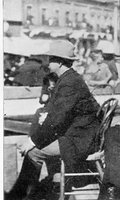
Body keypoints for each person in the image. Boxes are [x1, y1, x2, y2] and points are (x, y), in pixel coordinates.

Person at [6, 40, 101, 200]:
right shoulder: (68, 79)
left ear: (60, 62)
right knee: (38, 141)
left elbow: (57, 119)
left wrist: (33, 141)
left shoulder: (69, 82)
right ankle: (29, 192)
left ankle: (22, 195)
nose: (48, 62)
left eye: (51, 59)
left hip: (80, 140)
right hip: (79, 133)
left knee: (33, 152)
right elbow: (57, 112)